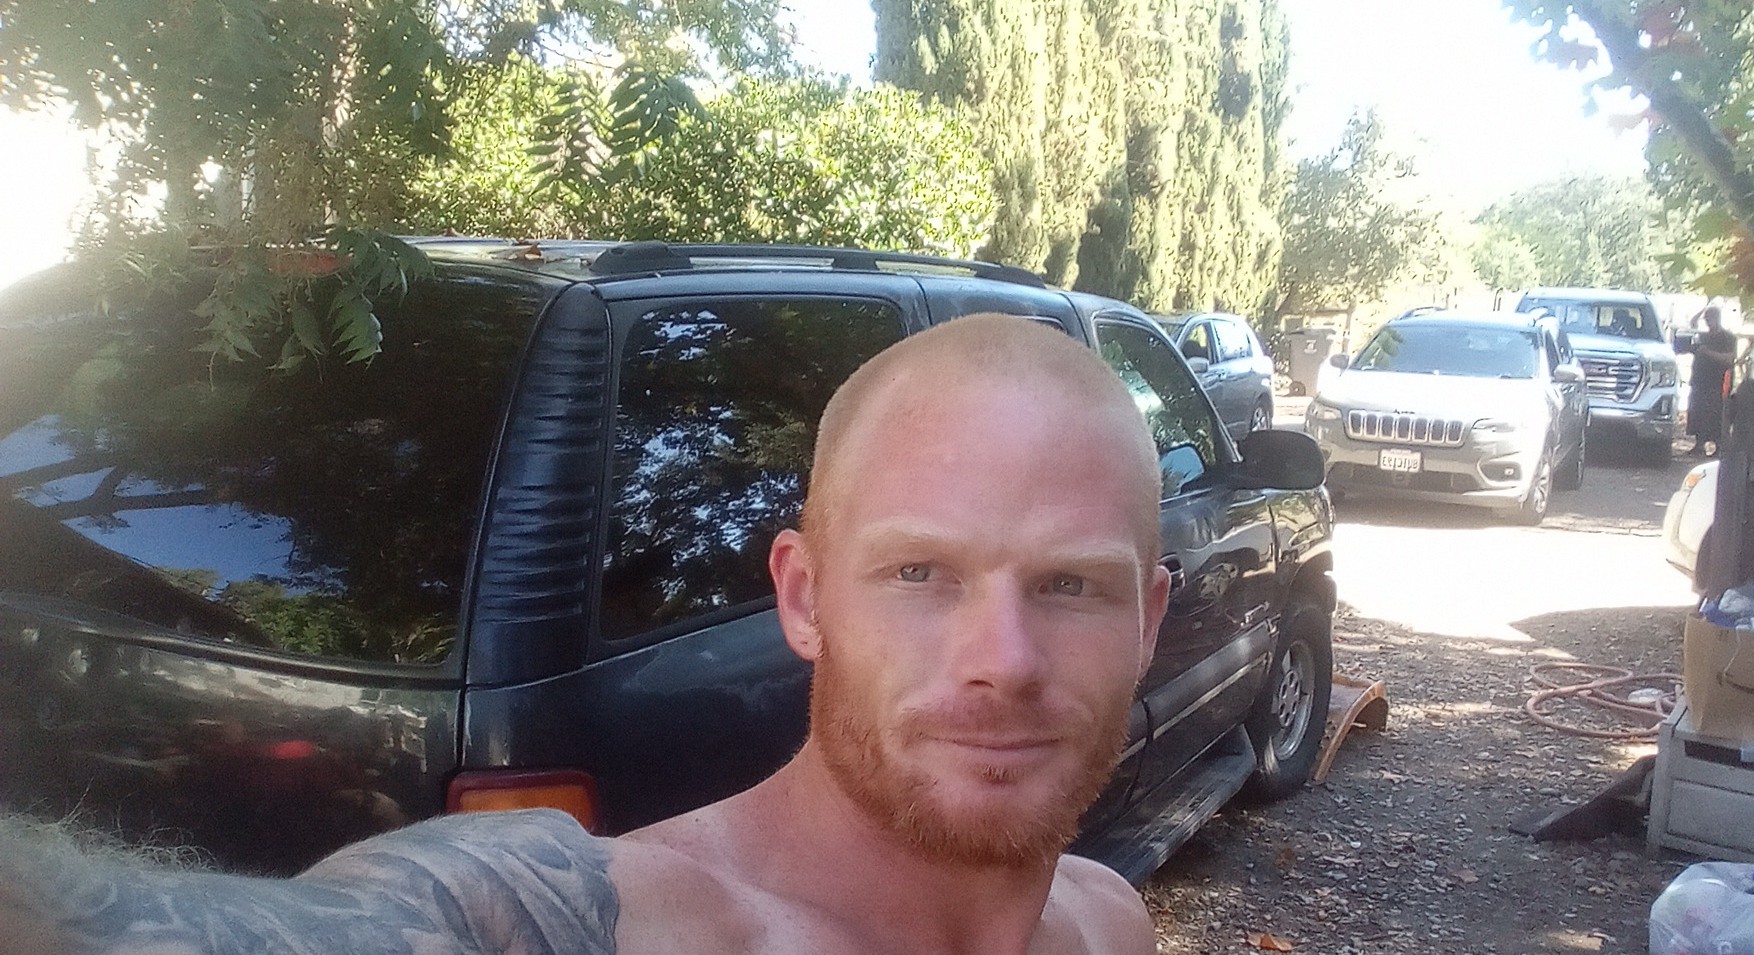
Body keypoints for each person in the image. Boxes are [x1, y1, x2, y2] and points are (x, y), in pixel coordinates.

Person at [0, 313, 1173, 955]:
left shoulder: (1105, 922)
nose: (1002, 660)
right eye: (920, 573)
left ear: (1148, 619)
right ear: (805, 597)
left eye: (1070, 585)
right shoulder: (604, 923)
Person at [1687, 305, 1738, 456]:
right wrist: (1701, 309)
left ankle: (1719, 445)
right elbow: (1692, 325)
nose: (1708, 323)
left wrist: (1707, 353)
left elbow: (1729, 359)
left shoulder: (1728, 338)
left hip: (1718, 382)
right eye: (1706, 320)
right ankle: (1699, 444)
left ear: (1717, 319)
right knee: (1697, 411)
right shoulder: (1703, 337)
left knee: (1716, 414)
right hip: (1700, 380)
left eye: (1710, 319)